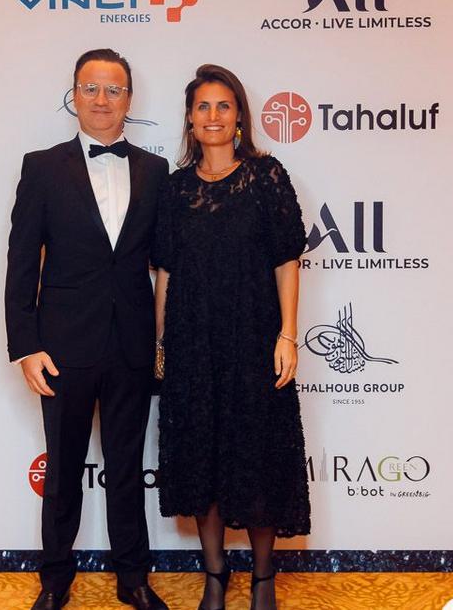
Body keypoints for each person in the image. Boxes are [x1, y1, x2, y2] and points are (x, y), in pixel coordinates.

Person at [5, 48, 170, 610]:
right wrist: (26, 346)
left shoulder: (155, 171)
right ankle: (55, 580)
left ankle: (133, 578)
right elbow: (21, 262)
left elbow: (165, 262)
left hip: (132, 344)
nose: (102, 100)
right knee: (62, 471)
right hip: (62, 347)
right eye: (91, 88)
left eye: (114, 89)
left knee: (127, 468)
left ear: (130, 98)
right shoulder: (41, 167)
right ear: (73, 94)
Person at [153, 64, 310, 610]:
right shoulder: (174, 189)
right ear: (190, 119)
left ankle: (263, 579)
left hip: (254, 339)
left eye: (223, 105)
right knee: (203, 459)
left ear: (238, 115)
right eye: (203, 107)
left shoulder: (266, 177)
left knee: (258, 455)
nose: (213, 116)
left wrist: (288, 335)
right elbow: (165, 272)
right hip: (192, 342)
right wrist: (161, 344)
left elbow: (287, 260)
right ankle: (215, 576)